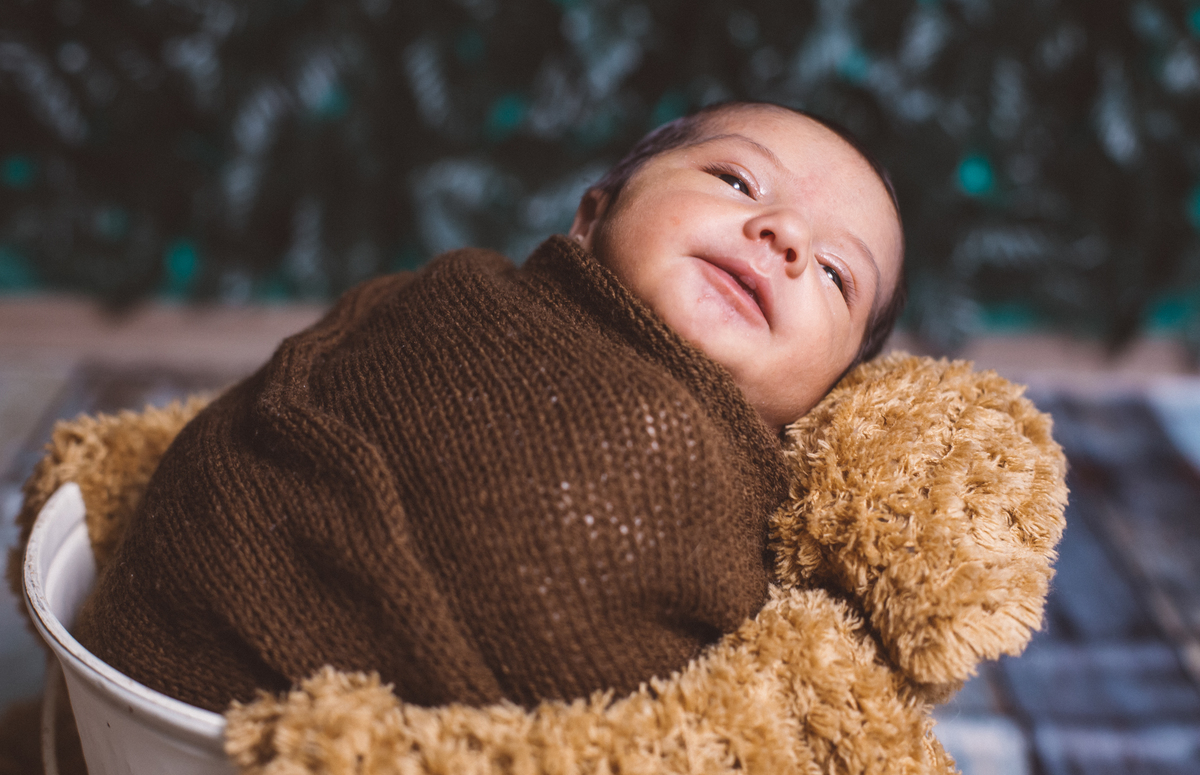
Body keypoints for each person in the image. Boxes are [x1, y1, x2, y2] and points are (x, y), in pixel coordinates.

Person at [75, 101, 905, 713]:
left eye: (837, 274)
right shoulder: (456, 295)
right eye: (735, 179)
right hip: (183, 703)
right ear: (593, 213)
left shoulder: (759, 502)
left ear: (833, 395)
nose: (786, 236)